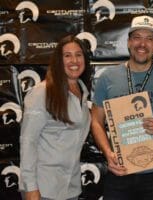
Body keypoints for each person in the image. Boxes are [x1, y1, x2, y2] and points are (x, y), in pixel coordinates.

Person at [91, 15, 153, 200]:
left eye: (149, 39)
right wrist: (108, 154)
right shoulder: (108, 78)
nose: (142, 44)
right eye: (137, 37)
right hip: (120, 170)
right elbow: (96, 121)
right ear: (129, 42)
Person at [19, 35, 92, 200]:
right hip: (43, 189)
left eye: (79, 54)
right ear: (59, 61)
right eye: (67, 55)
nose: (74, 60)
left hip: (70, 188)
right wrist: (31, 188)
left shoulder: (82, 91)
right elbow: (28, 141)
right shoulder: (42, 92)